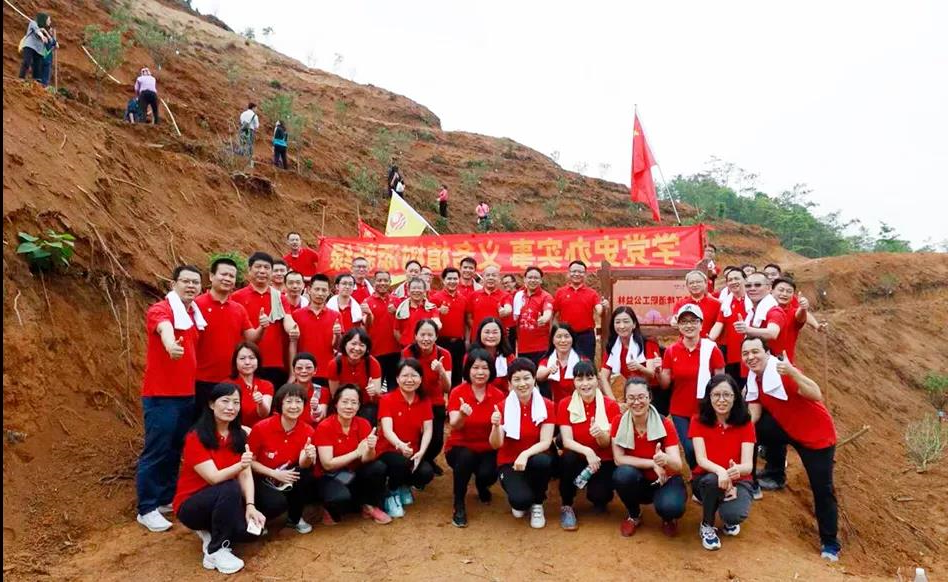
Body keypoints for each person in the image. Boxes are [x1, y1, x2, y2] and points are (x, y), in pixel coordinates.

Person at [742, 337, 840, 561]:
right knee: (753, 431)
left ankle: (830, 543)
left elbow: (815, 394)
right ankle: (761, 479)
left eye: (755, 351)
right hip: (787, 427)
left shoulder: (781, 371)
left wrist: (793, 373)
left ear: (767, 353)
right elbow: (754, 414)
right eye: (746, 353)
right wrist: (738, 429)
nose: (751, 357)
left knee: (822, 489)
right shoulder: (754, 377)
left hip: (816, 437)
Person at [137, 265, 206, 533]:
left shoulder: (193, 315)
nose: (191, 286)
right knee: (157, 449)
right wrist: (170, 345)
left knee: (175, 448)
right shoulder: (162, 309)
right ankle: (146, 508)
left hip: (185, 394)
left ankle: (165, 498)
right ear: (174, 284)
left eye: (195, 282)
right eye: (185, 281)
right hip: (161, 395)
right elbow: (164, 328)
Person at [173, 383, 265, 574]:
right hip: (192, 504)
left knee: (249, 534)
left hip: (222, 500)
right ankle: (216, 549)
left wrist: (250, 506)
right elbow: (214, 478)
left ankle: (210, 531)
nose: (231, 407)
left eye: (236, 402)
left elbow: (246, 474)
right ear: (211, 404)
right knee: (230, 485)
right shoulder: (196, 437)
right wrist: (241, 465)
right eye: (225, 401)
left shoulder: (238, 435)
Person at [612, 378, 687, 537]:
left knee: (671, 507)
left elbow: (677, 464)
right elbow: (619, 459)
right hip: (639, 480)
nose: (636, 402)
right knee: (622, 475)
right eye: (631, 398)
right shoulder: (619, 422)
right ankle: (634, 514)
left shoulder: (664, 423)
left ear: (650, 397)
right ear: (625, 399)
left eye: (641, 397)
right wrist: (652, 463)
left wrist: (665, 459)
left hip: (665, 479)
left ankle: (668, 518)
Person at [690, 374, 756, 551]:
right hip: (706, 479)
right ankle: (707, 525)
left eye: (727, 395)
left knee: (734, 515)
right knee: (713, 481)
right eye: (716, 395)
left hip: (738, 481)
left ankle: (726, 514)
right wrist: (721, 472)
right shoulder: (698, 420)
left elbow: (748, 465)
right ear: (709, 397)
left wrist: (734, 473)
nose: (721, 400)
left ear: (735, 397)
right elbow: (701, 459)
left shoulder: (746, 423)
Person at [490, 358, 555, 528]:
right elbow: (496, 444)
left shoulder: (546, 405)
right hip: (509, 462)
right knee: (520, 502)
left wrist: (525, 454)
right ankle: (523, 497)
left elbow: (546, 442)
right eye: (516, 379)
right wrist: (495, 426)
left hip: (533, 459)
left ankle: (538, 503)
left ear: (534, 379)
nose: (522, 384)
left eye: (527, 378)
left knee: (543, 461)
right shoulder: (502, 407)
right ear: (510, 384)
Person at [314, 385, 393, 525]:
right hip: (330, 476)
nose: (349, 406)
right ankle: (329, 508)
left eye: (354, 402)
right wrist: (356, 452)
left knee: (378, 467)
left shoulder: (363, 424)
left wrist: (370, 448)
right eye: (345, 402)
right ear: (336, 404)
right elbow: (327, 464)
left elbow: (367, 459)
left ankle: (369, 506)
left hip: (353, 472)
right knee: (341, 498)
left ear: (359, 405)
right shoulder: (325, 426)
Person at [557, 361, 622, 530]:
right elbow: (566, 440)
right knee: (568, 458)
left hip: (602, 460)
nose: (585, 383)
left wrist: (600, 434)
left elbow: (607, 443)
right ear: (574, 382)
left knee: (600, 497)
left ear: (597, 380)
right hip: (578, 458)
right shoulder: (565, 404)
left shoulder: (610, 406)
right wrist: (587, 452)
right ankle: (567, 505)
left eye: (589, 378)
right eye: (580, 379)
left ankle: (596, 494)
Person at [658, 304, 725, 469]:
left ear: (701, 324)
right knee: (689, 448)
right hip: (680, 410)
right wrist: (657, 371)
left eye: (693, 321)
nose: (689, 325)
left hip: (705, 408)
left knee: (707, 446)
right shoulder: (671, 351)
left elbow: (721, 382)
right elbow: (665, 384)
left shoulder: (712, 350)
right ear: (679, 326)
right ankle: (696, 477)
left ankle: (707, 476)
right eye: (684, 322)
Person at [445, 349, 506, 527]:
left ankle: (481, 485)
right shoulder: (457, 392)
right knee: (466, 457)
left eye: (485, 368)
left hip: (487, 446)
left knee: (488, 474)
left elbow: (498, 439)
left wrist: (496, 425)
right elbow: (454, 425)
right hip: (460, 446)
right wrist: (462, 415)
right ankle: (459, 503)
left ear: (491, 370)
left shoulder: (498, 395)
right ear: (468, 370)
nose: (480, 372)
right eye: (475, 367)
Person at [247, 383, 318, 533]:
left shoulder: (308, 430)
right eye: (289, 401)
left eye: (298, 401)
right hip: (262, 477)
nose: (294, 406)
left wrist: (308, 456)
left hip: (286, 475)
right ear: (280, 404)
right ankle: (259, 518)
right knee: (275, 504)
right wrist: (274, 473)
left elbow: (302, 465)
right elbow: (249, 462)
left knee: (305, 474)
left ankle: (295, 518)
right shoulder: (261, 428)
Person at [193, 257, 258, 422]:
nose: (228, 279)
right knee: (201, 423)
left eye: (231, 276)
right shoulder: (196, 305)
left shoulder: (238, 309)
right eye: (224, 274)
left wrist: (263, 327)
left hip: (230, 379)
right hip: (200, 379)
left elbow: (251, 337)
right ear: (211, 276)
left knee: (227, 424)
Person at [231, 252, 300, 389]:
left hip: (274, 363)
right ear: (249, 270)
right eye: (258, 267)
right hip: (246, 361)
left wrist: (293, 328)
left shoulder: (279, 297)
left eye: (267, 267)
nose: (262, 271)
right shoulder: (237, 297)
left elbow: (287, 318)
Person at [376, 359, 435, 518]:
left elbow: (428, 429)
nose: (409, 380)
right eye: (405, 376)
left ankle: (404, 485)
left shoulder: (424, 400)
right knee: (401, 463)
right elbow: (387, 430)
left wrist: (421, 452)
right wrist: (400, 445)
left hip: (412, 450)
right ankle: (392, 492)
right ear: (397, 378)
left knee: (426, 472)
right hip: (387, 450)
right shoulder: (387, 399)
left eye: (414, 375)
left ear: (420, 379)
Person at [403, 319, 452, 475]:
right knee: (414, 435)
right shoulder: (407, 353)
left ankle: (427, 459)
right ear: (415, 336)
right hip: (414, 399)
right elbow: (403, 382)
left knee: (436, 441)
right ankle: (416, 462)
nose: (426, 339)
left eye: (430, 335)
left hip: (435, 402)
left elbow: (447, 388)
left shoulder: (444, 354)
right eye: (422, 334)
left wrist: (441, 371)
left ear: (436, 336)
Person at [599, 306, 660, 403]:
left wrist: (639, 367)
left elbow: (651, 374)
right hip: (628, 394)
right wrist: (613, 402)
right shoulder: (612, 347)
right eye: (617, 322)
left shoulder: (647, 343)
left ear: (634, 324)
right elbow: (603, 377)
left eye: (626, 321)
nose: (622, 326)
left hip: (651, 392)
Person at [293, 274, 342, 385]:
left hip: (327, 371)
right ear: (309, 290)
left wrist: (338, 335)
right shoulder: (296, 315)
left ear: (329, 292)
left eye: (324, 290)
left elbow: (337, 347)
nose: (320, 293)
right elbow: (293, 344)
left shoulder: (336, 315)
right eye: (317, 289)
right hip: (303, 371)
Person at [553, 260, 607, 361]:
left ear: (585, 274)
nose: (577, 274)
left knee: (586, 364)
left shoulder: (592, 293)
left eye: (580, 272)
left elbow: (599, 310)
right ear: (569, 273)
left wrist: (604, 306)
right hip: (565, 336)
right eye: (574, 271)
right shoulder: (560, 292)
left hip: (586, 336)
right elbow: (553, 313)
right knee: (565, 363)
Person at [327, 328, 382, 424]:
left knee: (370, 412)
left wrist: (374, 392)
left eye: (362, 345)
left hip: (365, 406)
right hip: (343, 405)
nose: (357, 348)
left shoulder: (372, 363)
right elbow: (334, 394)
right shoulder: (335, 364)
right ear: (345, 344)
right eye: (353, 344)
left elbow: (377, 395)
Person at [709, 267, 750, 386]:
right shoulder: (727, 303)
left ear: (745, 280)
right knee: (735, 385)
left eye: (737, 278)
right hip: (732, 353)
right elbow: (719, 324)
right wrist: (708, 339)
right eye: (730, 280)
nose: (733, 282)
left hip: (751, 352)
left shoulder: (754, 300)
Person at [362, 270, 401, 392]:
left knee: (394, 389)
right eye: (379, 280)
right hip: (375, 353)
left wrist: (396, 312)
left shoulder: (397, 301)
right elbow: (365, 326)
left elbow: (404, 323)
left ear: (390, 282)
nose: (382, 283)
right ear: (374, 282)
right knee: (376, 390)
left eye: (385, 280)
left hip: (396, 352)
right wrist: (369, 314)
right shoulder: (367, 302)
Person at [430, 267, 469, 387]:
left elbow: (466, 322)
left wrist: (467, 340)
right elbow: (429, 320)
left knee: (457, 375)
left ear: (459, 280)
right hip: (441, 342)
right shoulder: (435, 298)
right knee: (440, 375)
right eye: (449, 278)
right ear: (443, 280)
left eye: (455, 279)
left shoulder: (463, 299)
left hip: (458, 343)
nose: (452, 281)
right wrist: (438, 311)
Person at [737, 272, 787, 357]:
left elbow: (772, 333)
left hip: (772, 362)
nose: (752, 288)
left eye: (758, 285)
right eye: (748, 286)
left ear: (769, 288)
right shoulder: (751, 311)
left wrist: (747, 329)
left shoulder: (775, 311)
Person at [537, 323, 586, 403]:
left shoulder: (582, 360)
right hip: (554, 405)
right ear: (553, 340)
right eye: (559, 337)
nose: (563, 340)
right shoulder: (547, 360)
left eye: (566, 336)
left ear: (572, 339)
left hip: (577, 404)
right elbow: (538, 376)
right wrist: (549, 370)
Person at [514, 267, 554, 365]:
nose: (533, 280)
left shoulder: (546, 297)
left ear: (541, 280)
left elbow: (548, 312)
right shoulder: (518, 296)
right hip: (522, 347)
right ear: (525, 279)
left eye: (536, 278)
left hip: (541, 347)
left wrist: (544, 318)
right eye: (530, 277)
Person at [228, 342, 273, 428]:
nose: (247, 362)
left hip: (259, 431)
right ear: (235, 361)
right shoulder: (227, 384)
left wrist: (260, 402)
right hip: (235, 430)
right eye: (242, 358)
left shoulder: (266, 385)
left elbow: (264, 414)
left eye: (252, 358)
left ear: (258, 361)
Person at [466, 266, 512, 342]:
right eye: (488, 275)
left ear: (499, 279)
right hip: (477, 339)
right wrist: (479, 328)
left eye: (494, 275)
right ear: (483, 278)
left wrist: (505, 311)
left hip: (498, 339)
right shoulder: (473, 295)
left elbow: (508, 308)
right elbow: (469, 317)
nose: (491, 278)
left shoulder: (505, 296)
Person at [671, 271, 721, 338]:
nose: (695, 285)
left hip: (708, 342)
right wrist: (674, 322)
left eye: (698, 282)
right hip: (686, 342)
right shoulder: (681, 303)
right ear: (687, 286)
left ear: (705, 283)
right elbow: (675, 319)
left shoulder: (716, 304)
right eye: (691, 283)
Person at [470, 317, 516, 391]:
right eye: (487, 332)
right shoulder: (471, 356)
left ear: (501, 334)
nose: (491, 336)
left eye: (495, 332)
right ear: (480, 334)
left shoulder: (509, 357)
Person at [394, 277, 440, 346]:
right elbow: (396, 331)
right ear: (408, 291)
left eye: (419, 288)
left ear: (424, 291)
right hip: (407, 348)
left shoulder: (432, 308)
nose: (416, 290)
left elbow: (437, 324)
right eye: (414, 288)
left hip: (426, 347)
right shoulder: (401, 309)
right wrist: (405, 344)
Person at [290, 352, 330, 427]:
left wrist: (316, 409)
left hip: (314, 431)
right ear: (293, 370)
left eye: (308, 368)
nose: (304, 371)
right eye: (299, 368)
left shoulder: (321, 390)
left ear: (315, 370)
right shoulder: (286, 391)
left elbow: (321, 415)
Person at [18, 13, 50, 82]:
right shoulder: (33, 23)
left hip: (39, 49)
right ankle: (21, 78)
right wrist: (42, 36)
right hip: (30, 46)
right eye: (48, 20)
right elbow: (36, 30)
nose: (49, 22)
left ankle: (36, 81)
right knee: (26, 61)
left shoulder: (46, 29)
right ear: (43, 19)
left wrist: (46, 34)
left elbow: (51, 41)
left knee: (37, 66)